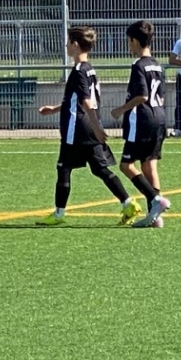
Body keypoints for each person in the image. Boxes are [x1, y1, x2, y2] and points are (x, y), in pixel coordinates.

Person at [36, 25, 137, 227]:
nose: (66, 46)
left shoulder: (78, 71)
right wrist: (55, 109)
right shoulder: (89, 69)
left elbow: (86, 102)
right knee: (99, 169)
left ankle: (58, 214)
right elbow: (80, 100)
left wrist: (98, 128)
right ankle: (128, 203)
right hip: (88, 125)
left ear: (75, 45)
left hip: (77, 128)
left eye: (68, 42)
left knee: (63, 168)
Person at [115, 20, 169, 227]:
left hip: (142, 119)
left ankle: (156, 200)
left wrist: (121, 109)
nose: (128, 45)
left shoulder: (139, 65)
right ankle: (156, 217)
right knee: (149, 165)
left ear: (135, 41)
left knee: (126, 165)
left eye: (129, 41)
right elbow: (161, 96)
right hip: (159, 116)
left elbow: (142, 96)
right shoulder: (157, 64)